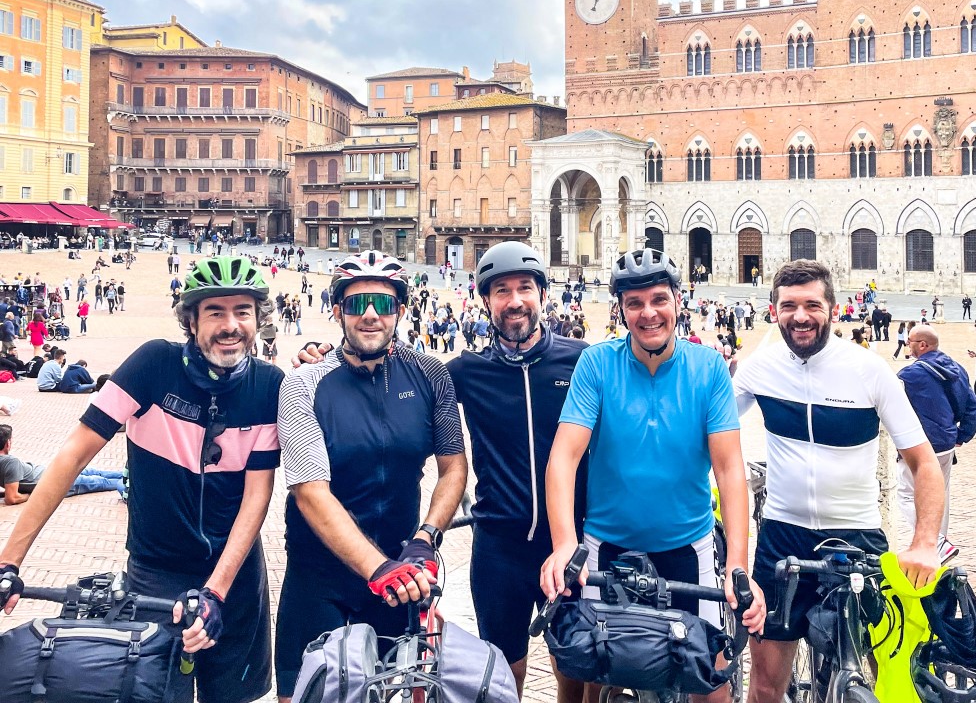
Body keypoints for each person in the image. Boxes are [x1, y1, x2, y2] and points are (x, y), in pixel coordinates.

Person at [0, 255, 284, 703]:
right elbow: (73, 456)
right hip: (156, 571)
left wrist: (216, 591)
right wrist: (9, 562)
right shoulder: (154, 364)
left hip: (234, 576)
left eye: (242, 312)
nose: (231, 325)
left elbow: (257, 498)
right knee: (151, 692)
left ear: (257, 319)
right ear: (191, 320)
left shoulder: (270, 385)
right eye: (215, 312)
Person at [541, 248, 765, 703]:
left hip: (688, 547)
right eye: (634, 303)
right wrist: (565, 545)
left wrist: (738, 563)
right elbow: (564, 457)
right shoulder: (597, 364)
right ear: (620, 309)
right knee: (598, 679)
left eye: (659, 299)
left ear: (679, 302)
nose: (648, 313)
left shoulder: (707, 369)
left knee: (711, 682)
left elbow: (728, 468)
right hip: (608, 548)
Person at [733, 260, 944, 703]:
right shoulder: (760, 367)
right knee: (766, 687)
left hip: (857, 537)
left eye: (812, 304)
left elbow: (924, 463)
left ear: (833, 308)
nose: (801, 316)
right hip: (782, 536)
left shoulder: (869, 370)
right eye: (789, 305)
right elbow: (706, 432)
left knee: (883, 678)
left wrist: (924, 543)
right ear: (774, 310)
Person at [275, 251, 467, 703]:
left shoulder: (431, 374)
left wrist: (426, 538)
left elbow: (454, 467)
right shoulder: (303, 383)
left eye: (382, 304)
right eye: (356, 303)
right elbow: (309, 492)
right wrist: (377, 567)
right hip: (320, 574)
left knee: (387, 692)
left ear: (401, 310)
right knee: (301, 696)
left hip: (398, 567)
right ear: (338, 310)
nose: (369, 315)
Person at [446, 242, 589, 702]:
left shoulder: (583, 360)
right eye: (501, 290)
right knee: (503, 673)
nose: (514, 301)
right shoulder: (467, 371)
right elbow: (400, 376)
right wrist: (324, 356)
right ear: (485, 301)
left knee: (574, 663)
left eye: (525, 287)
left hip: (570, 542)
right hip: (498, 546)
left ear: (543, 294)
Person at [899, 327, 976, 563]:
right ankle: (938, 542)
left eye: (910, 341)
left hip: (921, 444)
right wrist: (962, 434)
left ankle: (936, 541)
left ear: (923, 345)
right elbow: (973, 405)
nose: (908, 345)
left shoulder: (910, 375)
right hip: (947, 441)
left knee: (905, 493)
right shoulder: (956, 367)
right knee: (939, 493)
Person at [1, 424, 124, 503]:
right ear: (8, 443)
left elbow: (10, 489)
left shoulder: (7, 462)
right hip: (58, 482)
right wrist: (30, 496)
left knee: (92, 472)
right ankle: (130, 483)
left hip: (54, 471)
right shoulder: (10, 462)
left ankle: (127, 475)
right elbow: (12, 498)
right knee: (100, 481)